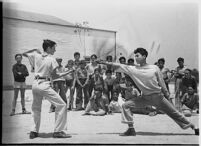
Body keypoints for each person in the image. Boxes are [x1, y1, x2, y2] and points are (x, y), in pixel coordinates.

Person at [98, 47, 199, 136]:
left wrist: (167, 96)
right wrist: (104, 62)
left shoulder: (154, 68)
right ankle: (131, 129)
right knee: (126, 105)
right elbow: (118, 65)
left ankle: (194, 127)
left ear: (144, 56)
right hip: (145, 97)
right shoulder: (132, 69)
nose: (135, 58)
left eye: (137, 55)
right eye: (135, 56)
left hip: (158, 97)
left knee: (174, 113)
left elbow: (162, 83)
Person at [22, 39, 73, 139]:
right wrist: (68, 73)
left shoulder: (36, 55)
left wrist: (34, 49)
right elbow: (55, 76)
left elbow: (23, 54)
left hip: (35, 84)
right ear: (49, 48)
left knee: (35, 108)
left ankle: (33, 131)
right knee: (62, 105)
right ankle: (58, 131)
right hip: (44, 84)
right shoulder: (51, 59)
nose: (55, 50)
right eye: (54, 48)